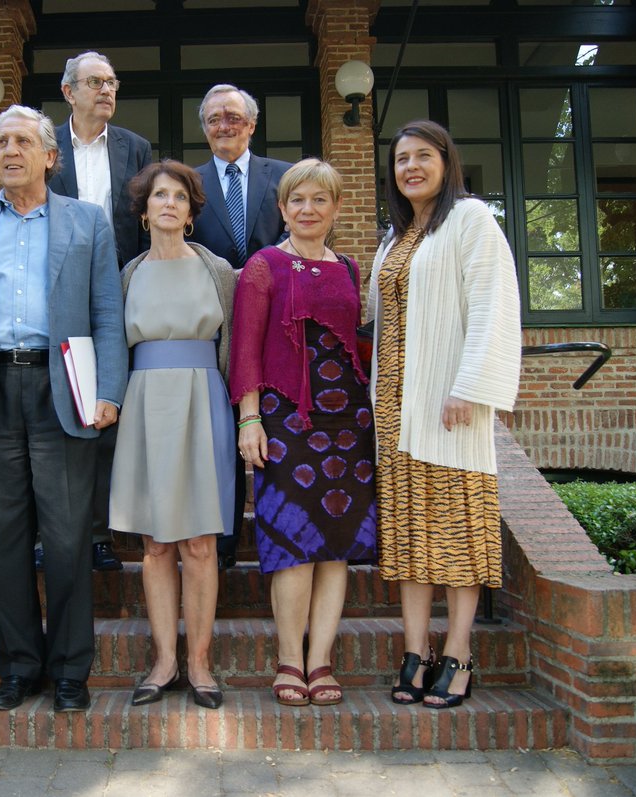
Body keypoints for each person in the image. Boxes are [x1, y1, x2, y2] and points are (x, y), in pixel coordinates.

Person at [0, 105, 128, 714]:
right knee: (1, 538)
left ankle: (69, 671)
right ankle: (17, 668)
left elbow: (107, 313)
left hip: (62, 387)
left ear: (50, 156)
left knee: (68, 538)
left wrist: (109, 391)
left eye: (22, 141)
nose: (9, 151)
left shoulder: (87, 221)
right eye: (0, 142)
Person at [372, 120, 520, 709]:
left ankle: (458, 653)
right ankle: (416, 651)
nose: (410, 167)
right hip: (395, 409)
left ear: (446, 161)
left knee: (457, 532)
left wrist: (470, 387)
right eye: (401, 159)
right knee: (409, 534)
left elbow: (493, 305)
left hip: (449, 405)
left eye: (423, 156)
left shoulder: (470, 219)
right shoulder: (396, 236)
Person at [231, 158, 377, 707]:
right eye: (298, 200)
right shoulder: (264, 266)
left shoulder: (351, 268)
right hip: (287, 418)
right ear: (282, 208)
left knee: (336, 546)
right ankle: (290, 659)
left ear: (336, 208)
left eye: (320, 200)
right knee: (293, 542)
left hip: (349, 423)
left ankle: (321, 661)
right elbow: (245, 348)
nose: (308, 209)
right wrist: (250, 419)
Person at [109, 161, 237, 710]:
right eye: (159, 195)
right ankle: (164, 661)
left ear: (191, 213)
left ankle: (200, 663)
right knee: (156, 543)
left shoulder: (218, 271)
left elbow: (236, 345)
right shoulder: (127, 274)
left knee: (201, 542)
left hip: (204, 401)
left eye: (179, 197)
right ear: (144, 212)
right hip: (143, 405)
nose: (169, 203)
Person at [47, 50, 152, 572]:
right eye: (95, 82)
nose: (107, 90)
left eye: (111, 82)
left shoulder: (135, 147)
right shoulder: (45, 145)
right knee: (56, 411)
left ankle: (98, 533)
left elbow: (143, 220)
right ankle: (51, 533)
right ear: (69, 92)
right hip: (59, 292)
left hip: (116, 291)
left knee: (107, 408)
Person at [189, 83, 292, 571]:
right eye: (214, 118)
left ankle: (285, 531)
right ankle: (225, 541)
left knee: (278, 427)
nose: (223, 125)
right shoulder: (189, 184)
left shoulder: (285, 177)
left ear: (251, 124)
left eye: (233, 116)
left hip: (277, 325)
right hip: (211, 329)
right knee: (220, 436)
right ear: (204, 128)